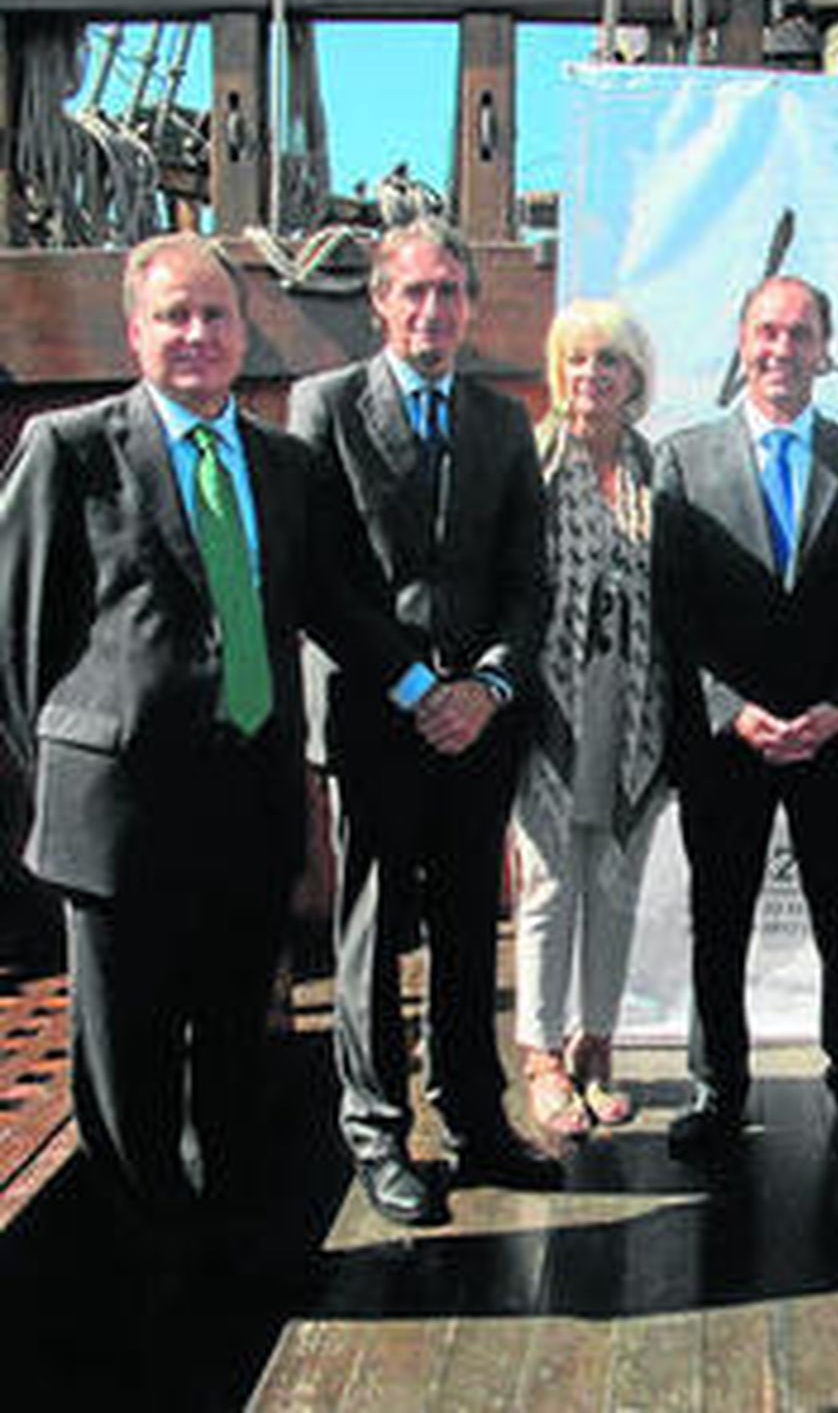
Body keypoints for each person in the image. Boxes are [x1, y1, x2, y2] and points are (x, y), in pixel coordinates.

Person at [0, 233, 434, 1270]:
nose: (195, 334)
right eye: (173, 316)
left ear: (244, 334)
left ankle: (239, 1263)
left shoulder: (285, 466)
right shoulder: (70, 449)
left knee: (243, 1049)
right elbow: (15, 636)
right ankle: (139, 1274)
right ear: (135, 331)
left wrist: (434, 693)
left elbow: (335, 606)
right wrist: (68, 772)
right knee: (128, 1066)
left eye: (214, 316)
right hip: (118, 824)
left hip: (249, 808)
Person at [288, 217, 558, 1227]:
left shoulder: (502, 422)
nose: (432, 310)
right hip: (375, 716)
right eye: (414, 291)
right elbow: (318, 575)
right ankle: (376, 1132)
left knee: (468, 925)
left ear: (471, 307)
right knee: (371, 930)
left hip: (479, 726)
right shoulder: (325, 407)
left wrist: (487, 688)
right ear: (379, 302)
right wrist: (413, 686)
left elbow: (528, 580)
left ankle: (476, 1120)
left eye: (450, 292)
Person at [654, 275, 838, 1163]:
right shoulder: (682, 460)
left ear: (826, 349)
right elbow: (670, 611)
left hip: (835, 740)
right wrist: (732, 710)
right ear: (742, 340)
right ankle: (718, 1087)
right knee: (719, 926)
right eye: (766, 332)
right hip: (729, 746)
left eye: (800, 334)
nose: (781, 350)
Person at [511, 299, 669, 1140]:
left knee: (614, 884)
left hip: (635, 707)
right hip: (548, 704)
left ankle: (596, 1046)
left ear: (634, 375)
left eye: (608, 360)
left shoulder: (654, 465)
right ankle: (541, 1055)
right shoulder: (532, 459)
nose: (591, 375)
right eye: (576, 359)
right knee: (549, 883)